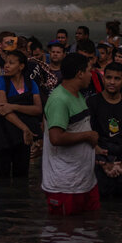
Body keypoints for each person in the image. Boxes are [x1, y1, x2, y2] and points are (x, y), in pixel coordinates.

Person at [41, 53, 100, 215]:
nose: (91, 75)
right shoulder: (59, 100)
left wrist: (96, 148)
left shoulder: (77, 94)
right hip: (65, 184)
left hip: (84, 180)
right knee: (65, 228)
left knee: (89, 226)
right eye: (89, 70)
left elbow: (78, 128)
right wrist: (88, 136)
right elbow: (56, 137)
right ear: (80, 74)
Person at [87, 63, 122, 198]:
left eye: (117, 78)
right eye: (108, 78)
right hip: (98, 162)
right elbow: (86, 134)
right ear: (103, 79)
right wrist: (103, 163)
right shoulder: (92, 102)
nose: (112, 82)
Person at [0, 50, 43, 178]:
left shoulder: (31, 84)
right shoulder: (1, 81)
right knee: (2, 174)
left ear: (21, 66)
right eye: (6, 63)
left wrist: (14, 106)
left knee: (22, 174)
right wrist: (24, 128)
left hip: (23, 138)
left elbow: (38, 109)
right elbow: (3, 109)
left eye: (11, 63)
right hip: (4, 133)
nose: (6, 66)